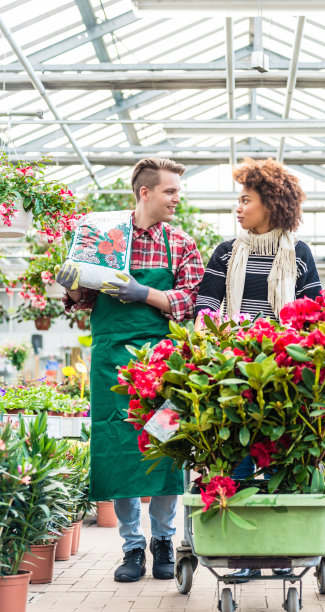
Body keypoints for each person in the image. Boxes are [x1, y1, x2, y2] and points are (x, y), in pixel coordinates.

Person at [57, 158, 204, 583]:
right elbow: (82, 299)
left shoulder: (181, 243)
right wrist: (71, 280)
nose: (178, 198)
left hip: (164, 361)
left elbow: (191, 301)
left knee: (167, 443)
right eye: (170, 191)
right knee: (118, 446)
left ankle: (163, 540)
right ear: (145, 192)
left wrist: (145, 293)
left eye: (178, 190)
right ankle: (132, 546)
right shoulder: (105, 236)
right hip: (110, 362)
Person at [195, 157, 322, 581]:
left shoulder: (298, 253)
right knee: (239, 454)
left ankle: (283, 547)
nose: (238, 207)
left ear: (269, 203)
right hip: (233, 369)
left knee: (280, 452)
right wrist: (207, 324)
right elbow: (208, 301)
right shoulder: (227, 252)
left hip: (282, 371)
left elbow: (313, 310)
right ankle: (243, 553)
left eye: (245, 199)